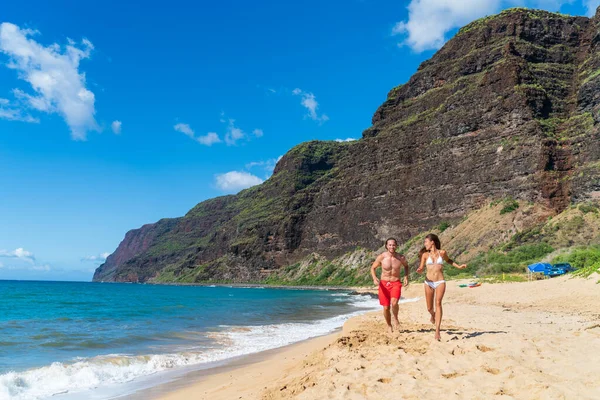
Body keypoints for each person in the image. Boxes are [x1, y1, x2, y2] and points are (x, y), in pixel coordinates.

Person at [416, 233, 467, 341]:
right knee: (429, 308)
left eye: (426, 242)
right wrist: (420, 270)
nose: (425, 244)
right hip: (428, 282)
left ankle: (437, 330)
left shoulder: (442, 253)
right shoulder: (425, 255)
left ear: (432, 242)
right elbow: (421, 267)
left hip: (440, 281)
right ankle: (433, 315)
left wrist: (459, 266)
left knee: (438, 303)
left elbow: (449, 261)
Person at [370, 238, 409, 334]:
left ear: (396, 246)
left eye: (393, 245)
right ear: (386, 246)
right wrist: (374, 278)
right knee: (386, 307)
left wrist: (406, 277)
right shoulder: (382, 257)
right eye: (390, 245)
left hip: (395, 283)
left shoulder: (401, 258)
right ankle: (389, 325)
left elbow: (406, 266)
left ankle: (396, 319)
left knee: (394, 303)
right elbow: (373, 268)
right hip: (384, 284)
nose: (392, 246)